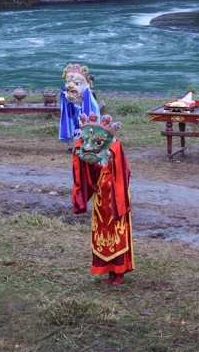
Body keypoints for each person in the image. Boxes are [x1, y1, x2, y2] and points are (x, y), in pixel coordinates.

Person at [71, 113, 133, 285]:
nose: (91, 146)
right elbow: (82, 153)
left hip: (115, 195)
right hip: (100, 194)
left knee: (117, 230)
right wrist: (81, 147)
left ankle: (119, 271)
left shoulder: (115, 148)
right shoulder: (96, 153)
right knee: (101, 231)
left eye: (97, 142)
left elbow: (123, 174)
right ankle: (107, 270)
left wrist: (111, 161)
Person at [59, 63, 101, 149]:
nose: (70, 85)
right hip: (74, 110)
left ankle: (87, 142)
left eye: (76, 83)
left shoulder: (88, 96)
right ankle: (71, 143)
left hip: (82, 111)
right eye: (67, 81)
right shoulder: (67, 94)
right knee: (71, 123)